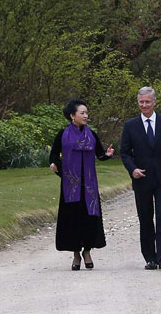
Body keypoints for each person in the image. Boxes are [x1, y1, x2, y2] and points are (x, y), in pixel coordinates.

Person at [120, 86, 161, 270]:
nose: (144, 105)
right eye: (141, 102)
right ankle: (150, 257)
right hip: (142, 179)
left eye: (148, 101)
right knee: (145, 218)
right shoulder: (130, 125)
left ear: (154, 102)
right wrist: (132, 169)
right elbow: (125, 152)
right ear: (138, 103)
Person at [49, 98, 114, 270]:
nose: (86, 116)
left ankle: (87, 251)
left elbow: (99, 154)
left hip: (89, 186)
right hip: (71, 186)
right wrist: (56, 166)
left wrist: (107, 155)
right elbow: (54, 155)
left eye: (86, 113)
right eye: (82, 113)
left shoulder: (91, 134)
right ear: (72, 115)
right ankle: (76, 254)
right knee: (73, 221)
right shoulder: (62, 134)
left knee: (89, 220)